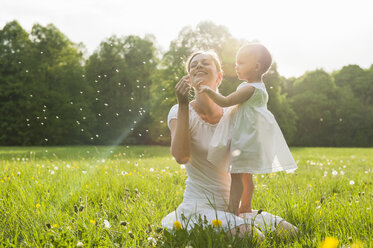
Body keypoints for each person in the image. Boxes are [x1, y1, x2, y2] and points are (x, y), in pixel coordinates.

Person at [161, 50, 297, 238]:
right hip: (199, 206)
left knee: (290, 232)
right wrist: (183, 105)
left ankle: (237, 222)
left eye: (205, 63)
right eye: (193, 65)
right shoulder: (179, 111)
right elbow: (180, 156)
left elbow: (244, 162)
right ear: (189, 79)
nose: (198, 65)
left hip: (232, 207)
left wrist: (244, 207)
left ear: (219, 76)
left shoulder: (235, 112)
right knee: (253, 237)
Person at [198, 43, 298, 216]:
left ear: (257, 66)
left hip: (245, 140)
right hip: (251, 139)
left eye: (241, 63)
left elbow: (225, 101)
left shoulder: (249, 88)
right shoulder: (258, 87)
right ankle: (245, 207)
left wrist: (208, 90)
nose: (236, 66)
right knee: (246, 175)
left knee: (237, 175)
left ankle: (233, 210)